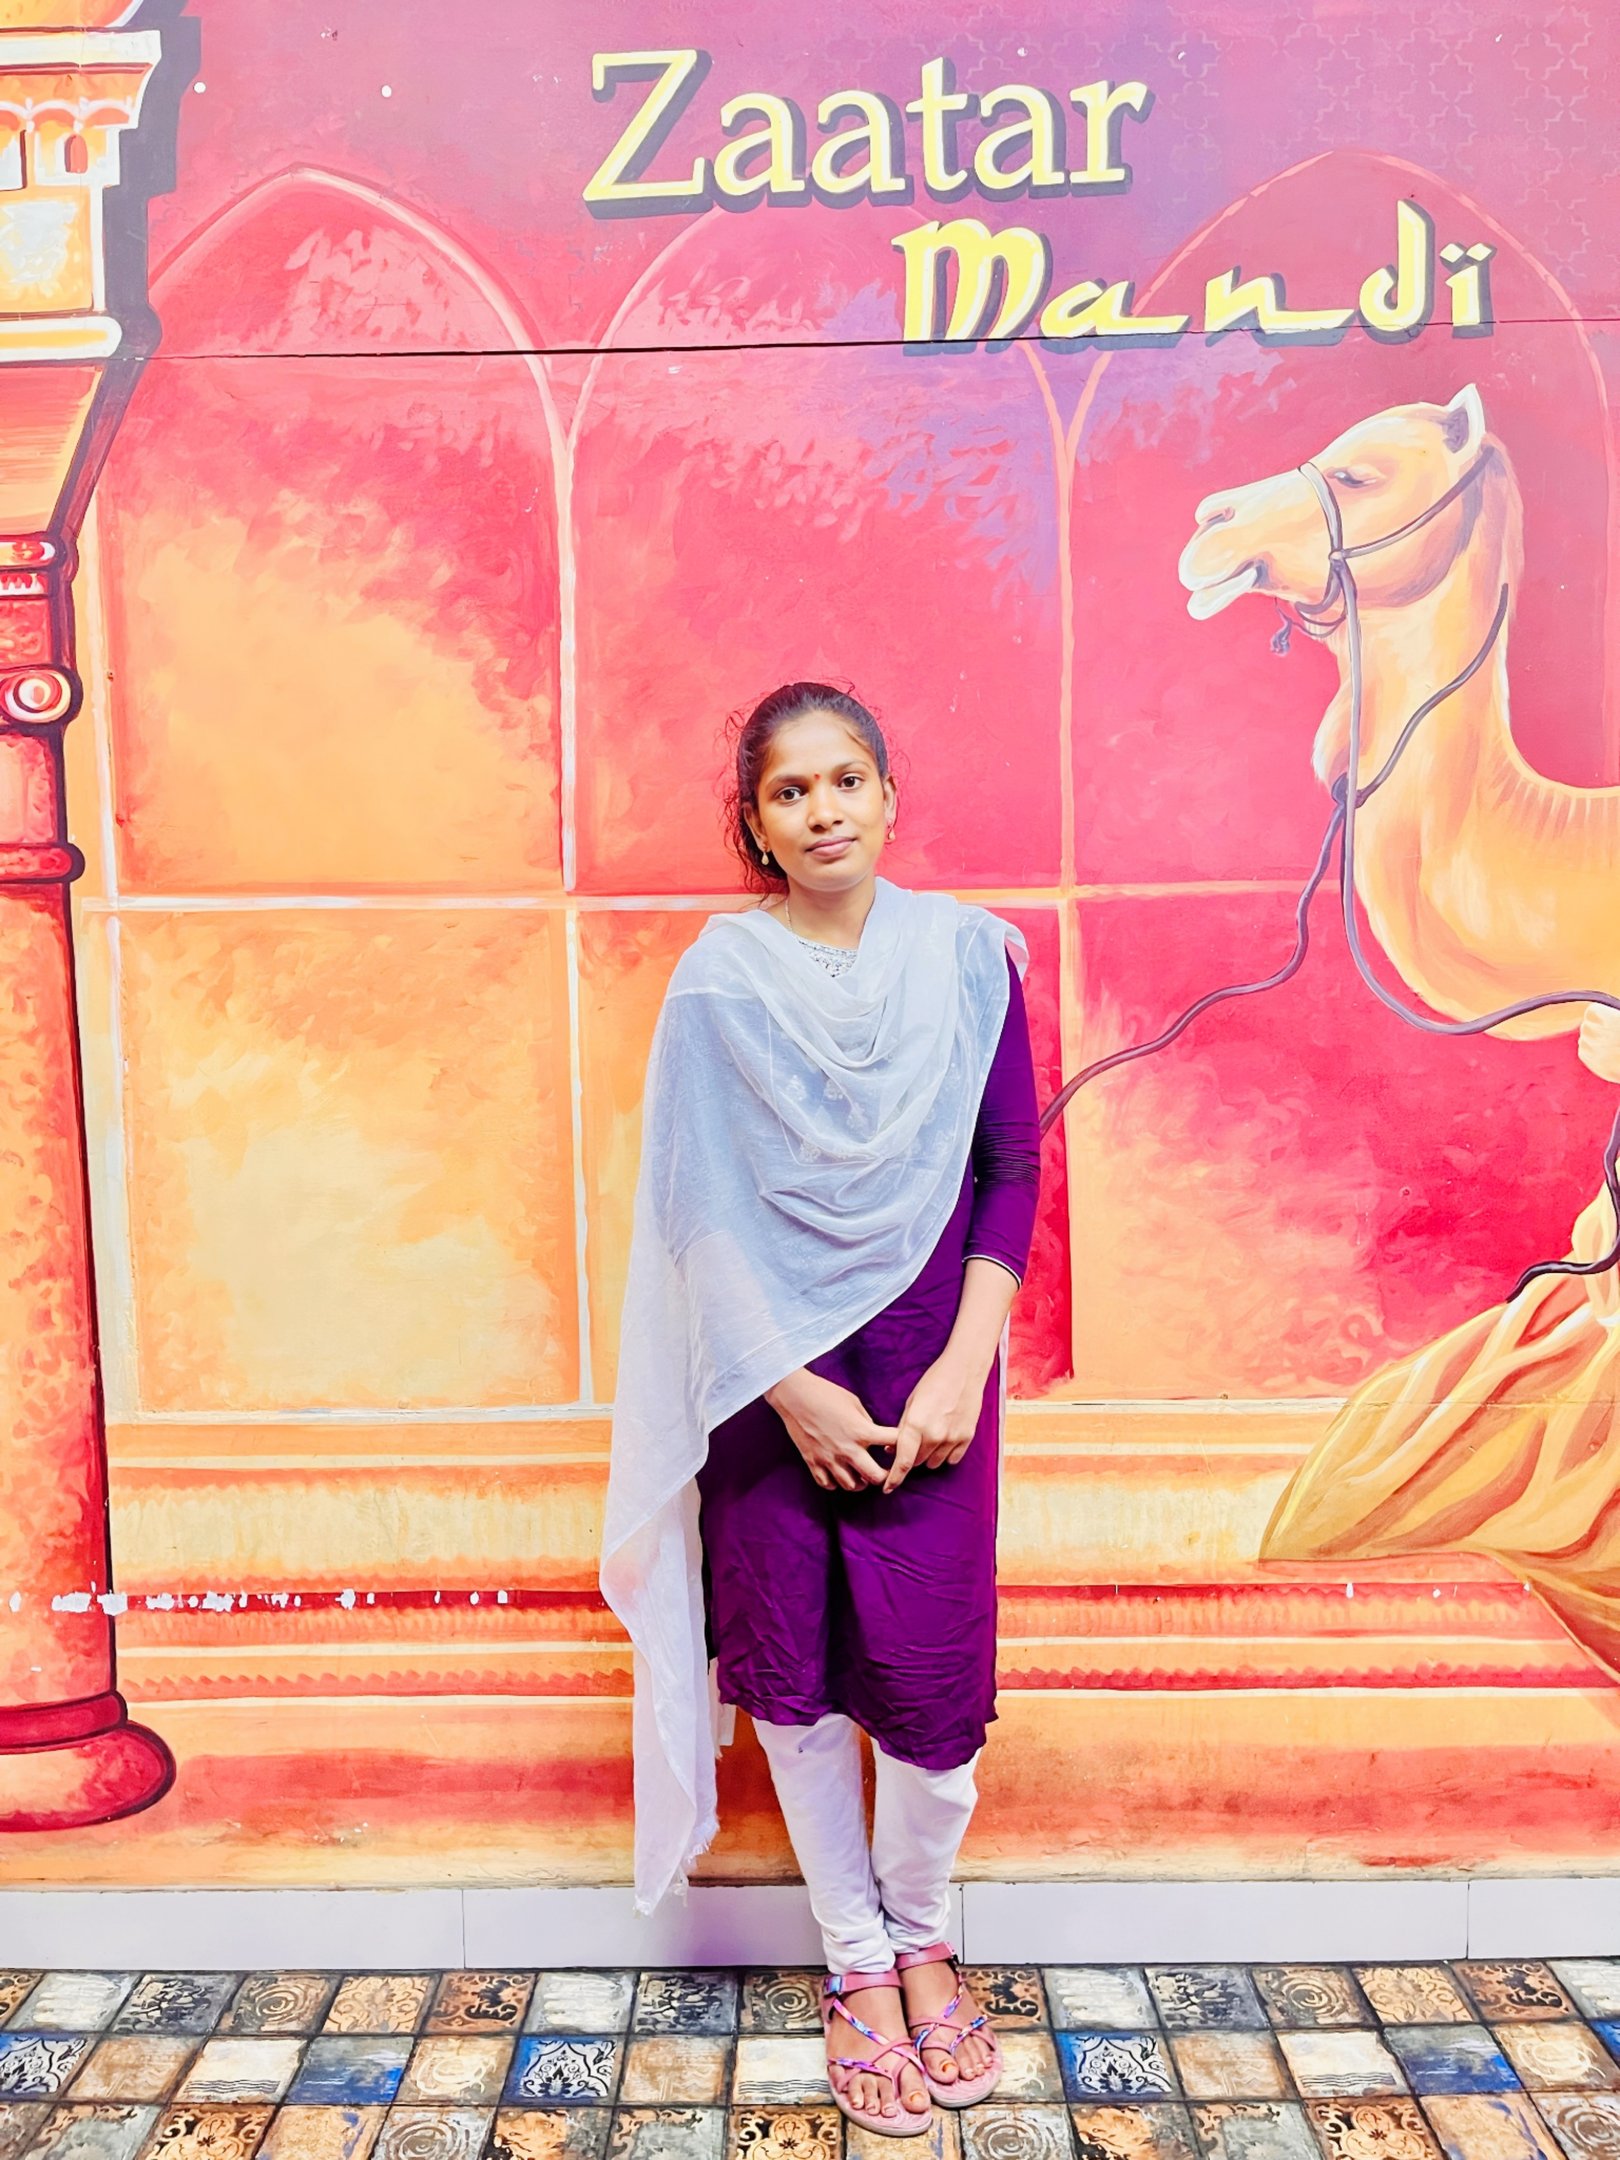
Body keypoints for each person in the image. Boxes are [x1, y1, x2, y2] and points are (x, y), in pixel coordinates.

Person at [599, 681, 1041, 2136]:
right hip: (768, 1390)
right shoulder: (721, 982)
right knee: (794, 1684)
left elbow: (1009, 1167)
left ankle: (926, 1940)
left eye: (847, 778)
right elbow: (698, 1207)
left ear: (890, 796)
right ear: (756, 825)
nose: (824, 810)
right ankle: (857, 1964)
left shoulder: (969, 959)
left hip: (934, 1378)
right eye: (790, 792)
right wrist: (790, 1390)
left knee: (931, 1699)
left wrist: (965, 1365)